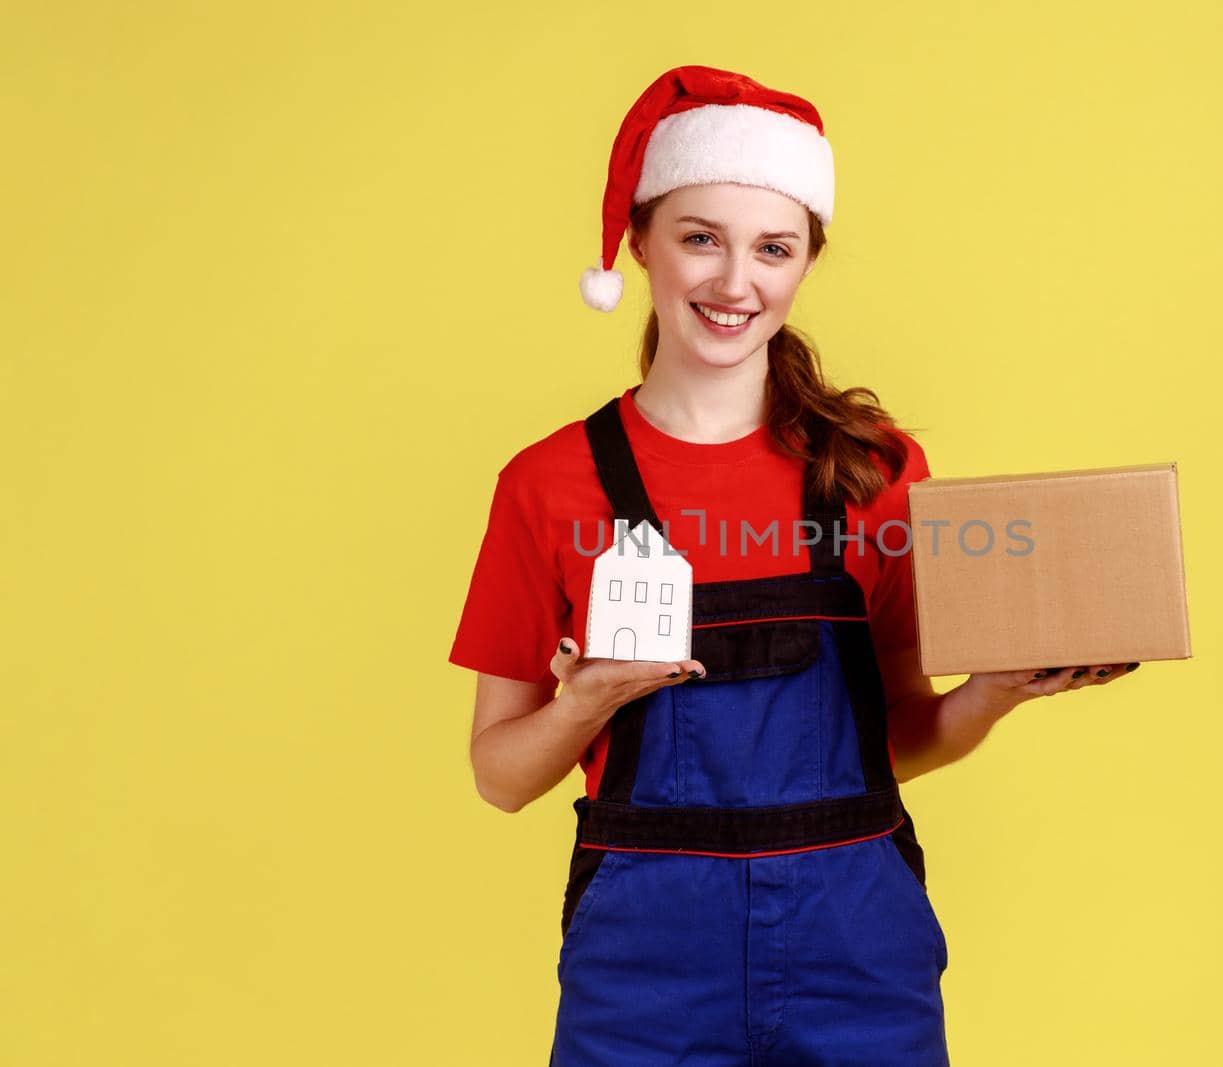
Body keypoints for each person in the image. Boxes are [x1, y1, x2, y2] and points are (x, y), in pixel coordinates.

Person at [447, 64, 1137, 1066]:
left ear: (806, 260)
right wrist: (584, 702)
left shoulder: (873, 470)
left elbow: (894, 738)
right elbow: (498, 777)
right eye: (699, 238)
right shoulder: (548, 483)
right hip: (645, 971)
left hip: (856, 949)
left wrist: (991, 693)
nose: (735, 284)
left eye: (772, 248)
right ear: (640, 242)